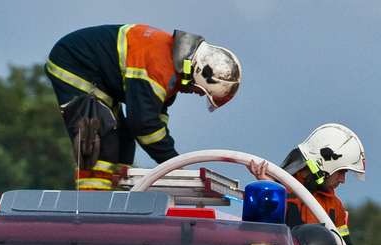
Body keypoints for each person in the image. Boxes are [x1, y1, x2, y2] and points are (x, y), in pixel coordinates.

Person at [46, 25, 241, 191]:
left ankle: (113, 201)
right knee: (100, 143)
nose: (197, 94)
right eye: (202, 91)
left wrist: (173, 164)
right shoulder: (159, 67)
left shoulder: (172, 74)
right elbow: (143, 124)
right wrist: (174, 165)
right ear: (199, 72)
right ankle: (91, 210)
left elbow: (153, 119)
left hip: (99, 78)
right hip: (74, 64)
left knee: (124, 143)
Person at [281, 124, 365, 245]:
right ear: (323, 164)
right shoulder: (279, 193)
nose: (342, 180)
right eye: (341, 172)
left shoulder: (335, 206)